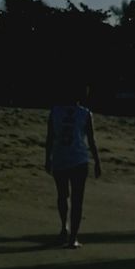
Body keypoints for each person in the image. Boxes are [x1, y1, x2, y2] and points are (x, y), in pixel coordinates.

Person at [45, 89, 101, 248]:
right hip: (78, 160)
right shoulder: (85, 113)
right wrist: (97, 161)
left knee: (63, 196)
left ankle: (64, 229)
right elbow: (91, 140)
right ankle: (73, 237)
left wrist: (47, 158)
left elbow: (50, 137)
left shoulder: (55, 111)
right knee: (77, 199)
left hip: (60, 158)